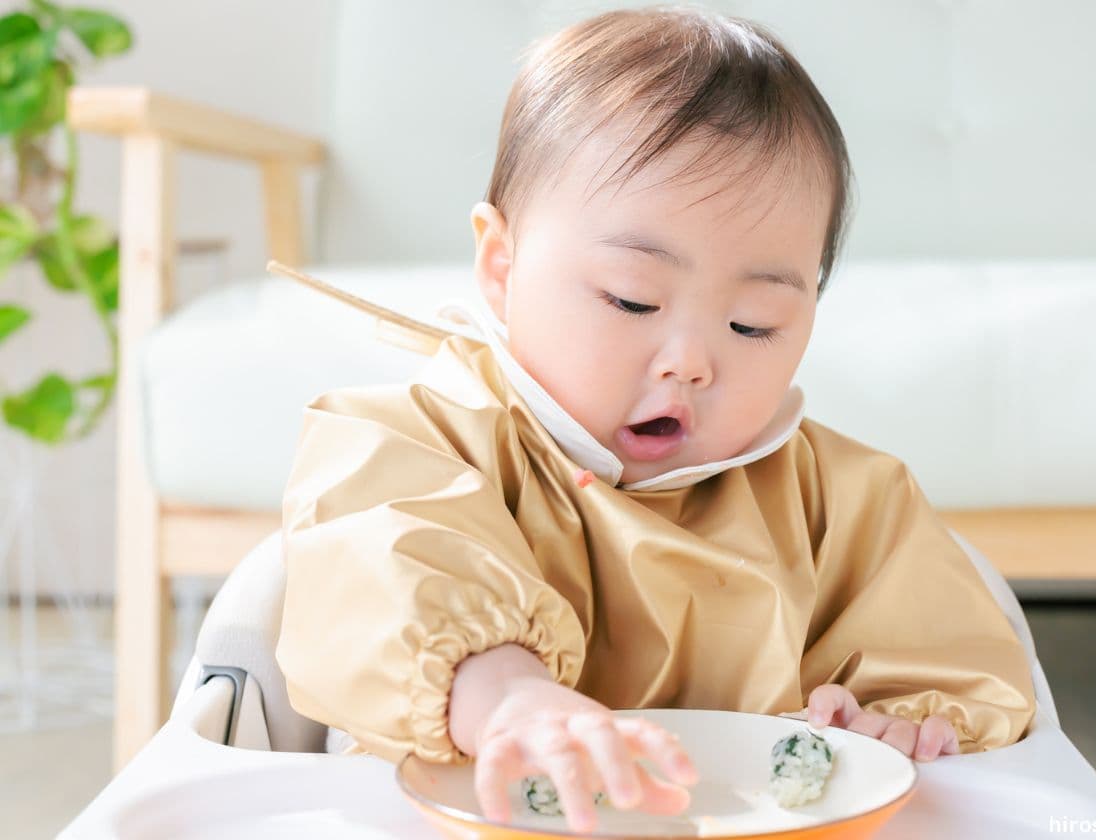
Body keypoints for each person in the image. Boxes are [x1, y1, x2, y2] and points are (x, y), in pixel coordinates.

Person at [275, 6, 1036, 833]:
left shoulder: (846, 500)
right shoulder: (410, 441)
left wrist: (898, 727)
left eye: (754, 323)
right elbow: (384, 565)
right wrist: (503, 696)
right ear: (502, 266)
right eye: (631, 299)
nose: (692, 361)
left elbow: (947, 659)